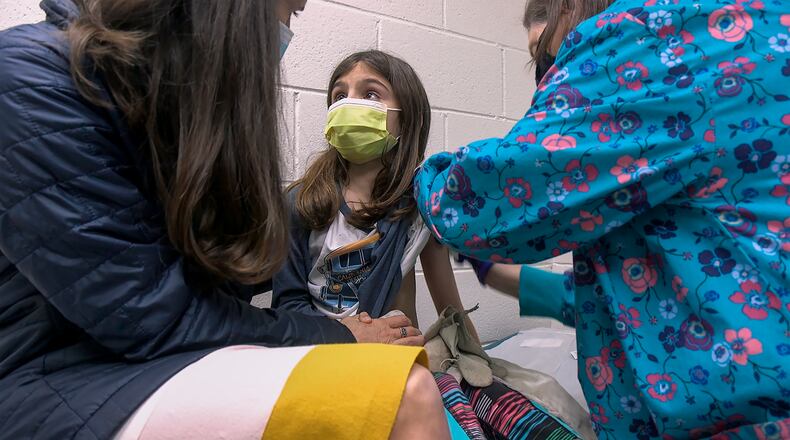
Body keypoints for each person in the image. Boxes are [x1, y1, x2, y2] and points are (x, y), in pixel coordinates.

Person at [0, 0, 450, 438]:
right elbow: (156, 317)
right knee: (402, 394)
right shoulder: (32, 81)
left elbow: (214, 285)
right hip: (60, 376)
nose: (283, 36)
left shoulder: (178, 121)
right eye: (289, 12)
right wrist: (342, 334)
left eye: (371, 94)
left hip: (144, 353)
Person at [415, 0, 790, 438]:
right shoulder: (761, 28)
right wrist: (492, 272)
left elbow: (474, 203)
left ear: (570, 8)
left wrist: (419, 181)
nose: (550, 72)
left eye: (544, 54)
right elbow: (660, 284)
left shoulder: (640, 37)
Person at [273, 50, 478, 340]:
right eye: (339, 96)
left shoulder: (420, 206)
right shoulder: (300, 202)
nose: (350, 103)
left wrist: (480, 362)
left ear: (405, 117)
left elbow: (450, 308)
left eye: (370, 94)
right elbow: (287, 306)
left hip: (399, 361)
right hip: (320, 353)